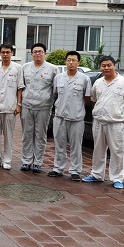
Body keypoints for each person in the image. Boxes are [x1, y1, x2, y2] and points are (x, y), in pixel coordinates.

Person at [82, 56, 124, 189]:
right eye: (103, 66)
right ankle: (96, 174)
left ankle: (117, 178)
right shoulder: (98, 82)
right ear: (100, 67)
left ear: (114, 66)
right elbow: (94, 100)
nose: (106, 68)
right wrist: (96, 114)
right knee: (98, 150)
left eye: (109, 65)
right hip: (99, 121)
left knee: (117, 151)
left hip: (117, 123)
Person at [48, 51, 92, 181]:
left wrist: (76, 107)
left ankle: (75, 170)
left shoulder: (84, 79)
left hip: (76, 117)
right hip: (60, 116)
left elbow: (86, 98)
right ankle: (58, 168)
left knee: (76, 145)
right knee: (59, 144)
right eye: (69, 60)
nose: (71, 63)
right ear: (65, 61)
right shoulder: (59, 78)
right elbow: (56, 94)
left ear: (79, 62)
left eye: (74, 60)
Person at [20, 43, 57, 172]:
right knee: (27, 134)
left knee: (40, 135)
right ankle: (26, 161)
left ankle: (38, 162)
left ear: (45, 53)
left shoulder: (52, 69)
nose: (37, 54)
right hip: (27, 105)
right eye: (35, 51)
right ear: (31, 54)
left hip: (44, 107)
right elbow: (21, 87)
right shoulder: (25, 67)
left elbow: (55, 89)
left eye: (40, 51)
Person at [0, 44, 24, 170]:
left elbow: (20, 87)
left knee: (8, 135)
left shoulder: (17, 68)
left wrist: (18, 105)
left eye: (7, 52)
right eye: (3, 52)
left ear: (12, 53)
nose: (5, 54)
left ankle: (7, 160)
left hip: (10, 106)